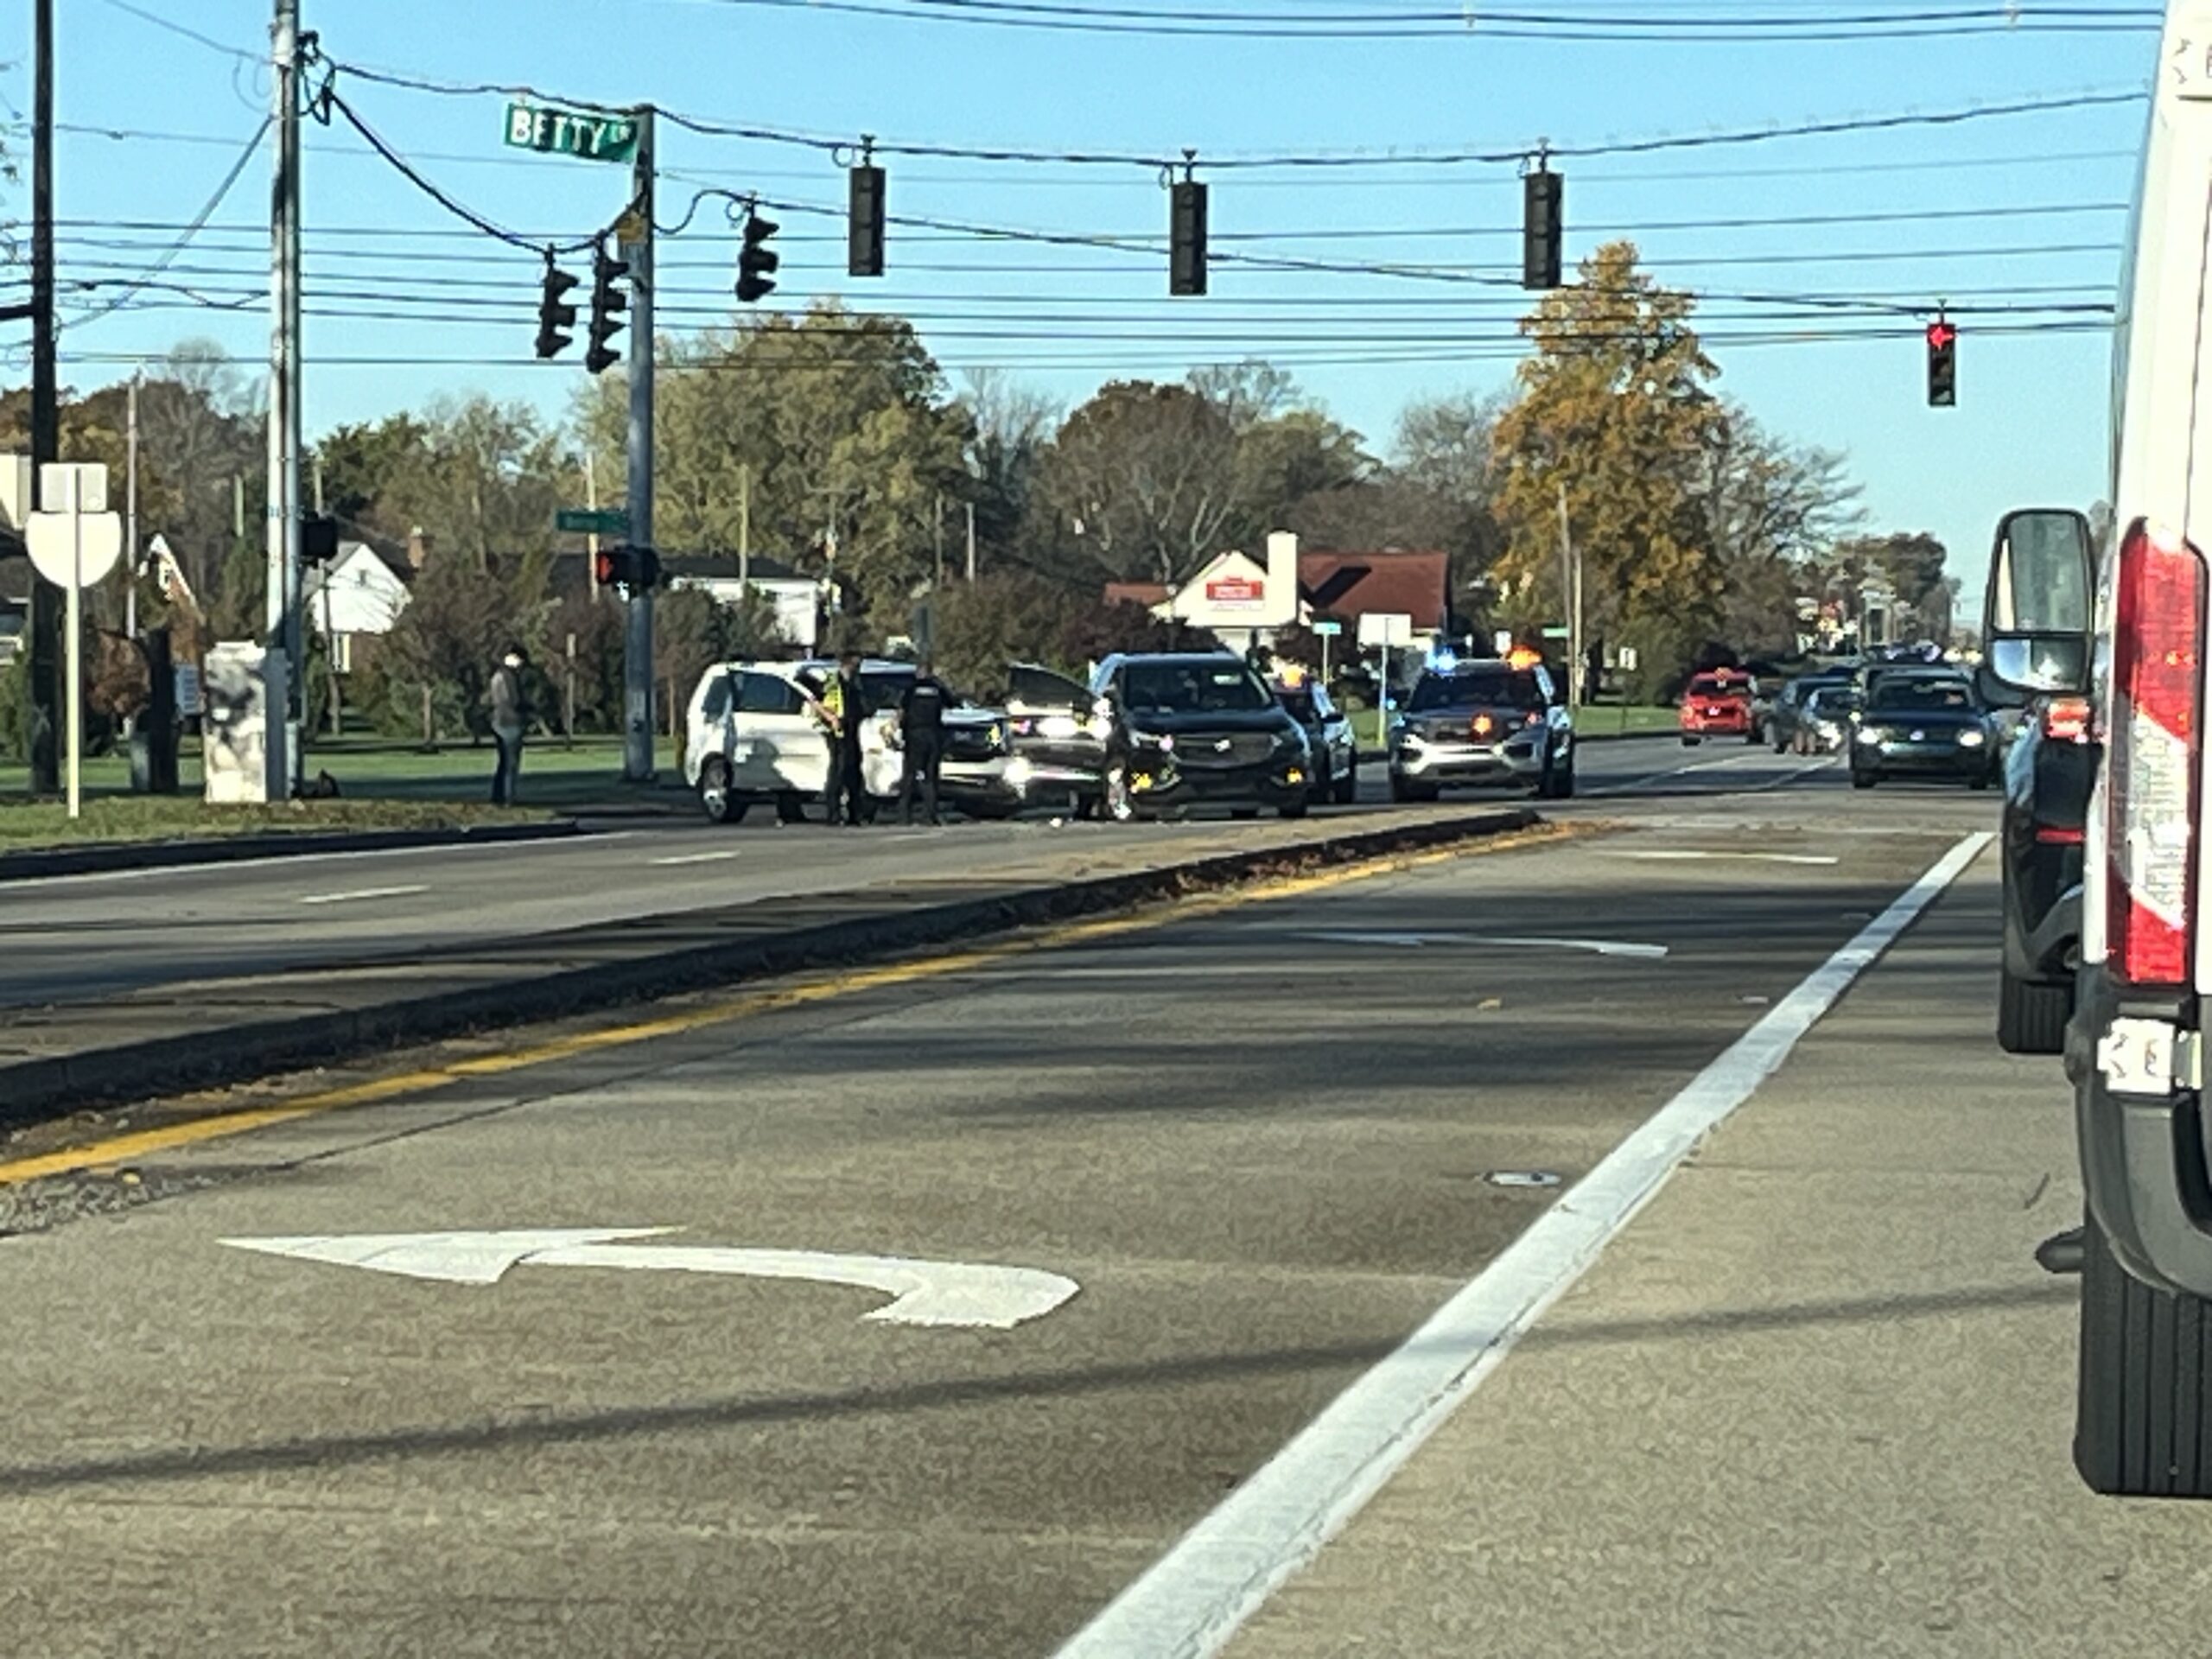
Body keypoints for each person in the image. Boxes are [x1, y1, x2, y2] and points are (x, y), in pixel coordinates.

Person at [898, 659, 950, 825]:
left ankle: (904, 816)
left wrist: (899, 731)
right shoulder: (938, 689)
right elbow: (952, 703)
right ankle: (930, 815)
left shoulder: (911, 689)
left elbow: (901, 711)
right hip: (933, 735)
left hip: (914, 734)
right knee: (930, 777)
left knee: (910, 776)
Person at [819, 650, 869, 826]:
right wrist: (832, 719)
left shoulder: (855, 683)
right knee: (837, 774)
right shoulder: (833, 681)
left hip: (852, 731)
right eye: (855, 665)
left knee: (854, 773)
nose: (857, 669)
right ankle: (833, 814)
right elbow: (820, 704)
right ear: (846, 664)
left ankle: (855, 814)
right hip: (837, 732)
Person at [486, 645, 530, 805]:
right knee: (511, 763)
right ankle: (508, 796)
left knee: (503, 762)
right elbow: (513, 700)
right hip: (509, 722)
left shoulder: (497, 676)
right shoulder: (508, 677)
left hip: (498, 721)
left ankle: (499, 795)